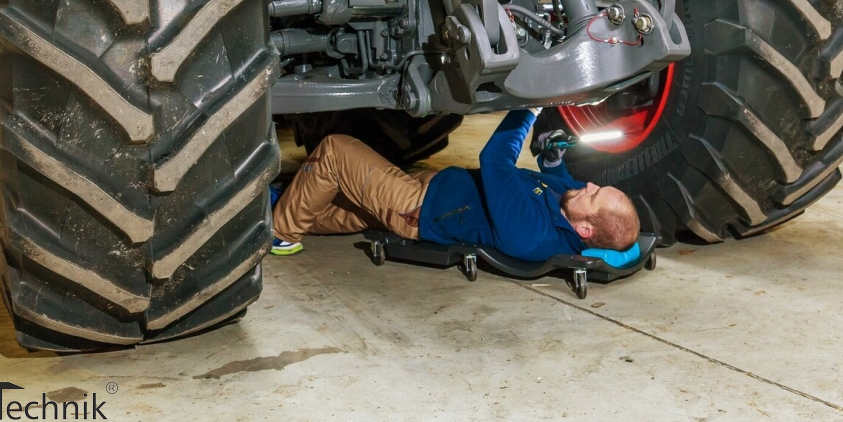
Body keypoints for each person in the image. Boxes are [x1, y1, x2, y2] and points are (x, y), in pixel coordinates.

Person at [270, 109, 640, 262]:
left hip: (416, 207)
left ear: (585, 228)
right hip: (433, 188)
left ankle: (280, 232)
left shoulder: (531, 234)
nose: (589, 184)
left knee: (335, 152)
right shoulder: (570, 207)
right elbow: (559, 182)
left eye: (594, 194)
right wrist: (553, 156)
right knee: (332, 208)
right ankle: (274, 208)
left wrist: (529, 109)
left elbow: (495, 160)